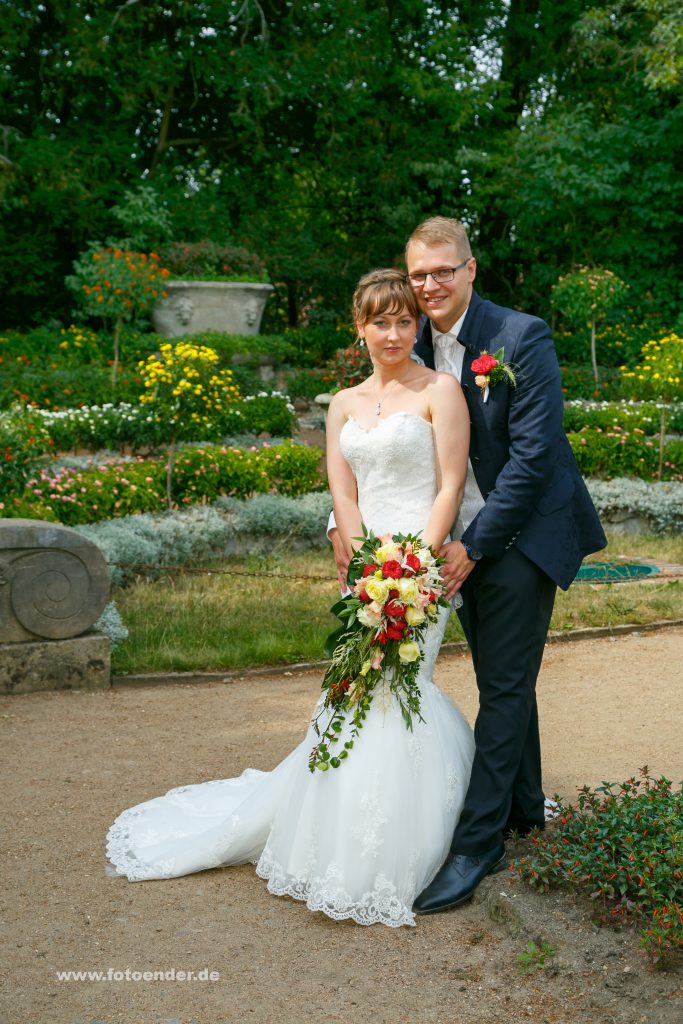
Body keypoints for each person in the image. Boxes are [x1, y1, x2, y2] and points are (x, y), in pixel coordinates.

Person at [106, 269, 476, 928]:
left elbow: (448, 484)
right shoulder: (341, 403)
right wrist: (365, 569)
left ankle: (391, 851)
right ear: (359, 328)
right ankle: (334, 836)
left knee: (398, 685)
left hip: (420, 569)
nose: (392, 334)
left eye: (403, 321)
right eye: (379, 321)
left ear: (416, 326)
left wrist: (412, 568)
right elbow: (344, 493)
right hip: (364, 572)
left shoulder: (441, 391)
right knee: (354, 687)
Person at [332, 217, 607, 915]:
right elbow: (372, 433)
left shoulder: (520, 337)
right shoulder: (408, 336)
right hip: (449, 544)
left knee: (505, 685)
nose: (428, 285)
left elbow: (534, 456)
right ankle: (522, 812)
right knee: (502, 678)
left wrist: (475, 543)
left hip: (518, 538)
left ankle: (477, 844)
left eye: (441, 271)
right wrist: (342, 521)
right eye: (418, 273)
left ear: (470, 269)